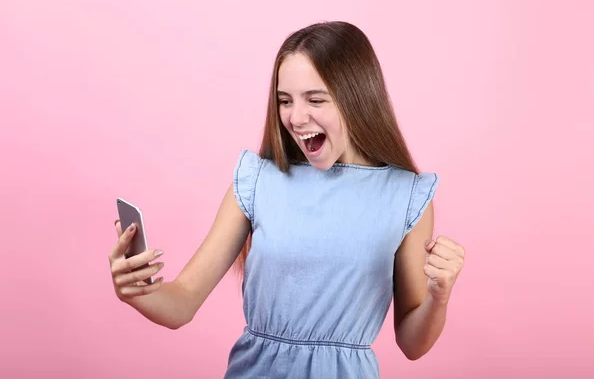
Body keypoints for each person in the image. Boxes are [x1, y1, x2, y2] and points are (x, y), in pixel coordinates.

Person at [109, 21, 466, 378]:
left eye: (315, 99)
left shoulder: (406, 197)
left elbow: (412, 343)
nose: (295, 118)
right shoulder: (257, 180)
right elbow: (182, 302)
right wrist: (138, 291)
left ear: (357, 97)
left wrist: (439, 295)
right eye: (284, 101)